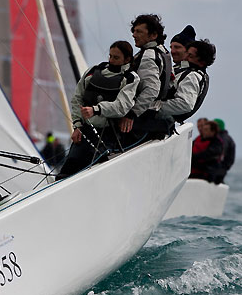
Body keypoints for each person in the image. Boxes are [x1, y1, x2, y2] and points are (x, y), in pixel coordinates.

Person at [56, 40, 140, 179]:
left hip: (109, 135)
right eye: (110, 56)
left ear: (127, 59)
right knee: (66, 173)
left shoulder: (130, 78)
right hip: (86, 131)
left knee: (93, 175)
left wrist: (96, 109)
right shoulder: (93, 71)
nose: (111, 60)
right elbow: (77, 99)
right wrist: (77, 126)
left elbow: (122, 106)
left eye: (116, 58)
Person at [119, 14, 173, 141]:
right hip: (154, 113)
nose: (134, 34)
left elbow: (152, 89)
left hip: (144, 116)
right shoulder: (163, 52)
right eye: (134, 31)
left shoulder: (148, 56)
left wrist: (131, 114)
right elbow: (170, 83)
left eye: (139, 32)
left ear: (153, 35)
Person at [159, 39, 216, 123]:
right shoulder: (182, 68)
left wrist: (155, 107)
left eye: (190, 56)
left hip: (157, 120)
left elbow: (185, 104)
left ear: (201, 62)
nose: (185, 57)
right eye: (186, 53)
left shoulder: (193, 76)